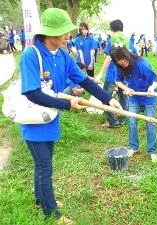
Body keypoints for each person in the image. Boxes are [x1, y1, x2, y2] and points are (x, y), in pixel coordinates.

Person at [19, 8, 122, 224]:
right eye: (64, 31)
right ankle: (51, 213)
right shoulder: (31, 54)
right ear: (49, 33)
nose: (68, 35)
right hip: (33, 120)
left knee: (43, 164)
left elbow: (84, 81)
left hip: (49, 117)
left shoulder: (63, 55)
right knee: (45, 166)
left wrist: (107, 99)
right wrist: (66, 104)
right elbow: (32, 92)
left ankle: (41, 199)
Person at [111, 46, 157, 163]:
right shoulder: (119, 67)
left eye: (123, 59)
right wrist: (126, 88)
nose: (122, 62)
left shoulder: (141, 64)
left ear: (127, 55)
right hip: (134, 97)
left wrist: (152, 88)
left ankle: (152, 151)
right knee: (132, 121)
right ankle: (133, 147)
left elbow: (155, 80)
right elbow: (117, 81)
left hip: (149, 96)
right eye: (118, 61)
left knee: (150, 123)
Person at [95, 19, 129, 128]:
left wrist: (100, 73)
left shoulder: (113, 38)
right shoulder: (127, 39)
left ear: (112, 29)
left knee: (105, 97)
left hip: (112, 74)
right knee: (124, 96)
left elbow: (109, 57)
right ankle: (122, 119)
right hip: (124, 73)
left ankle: (112, 121)